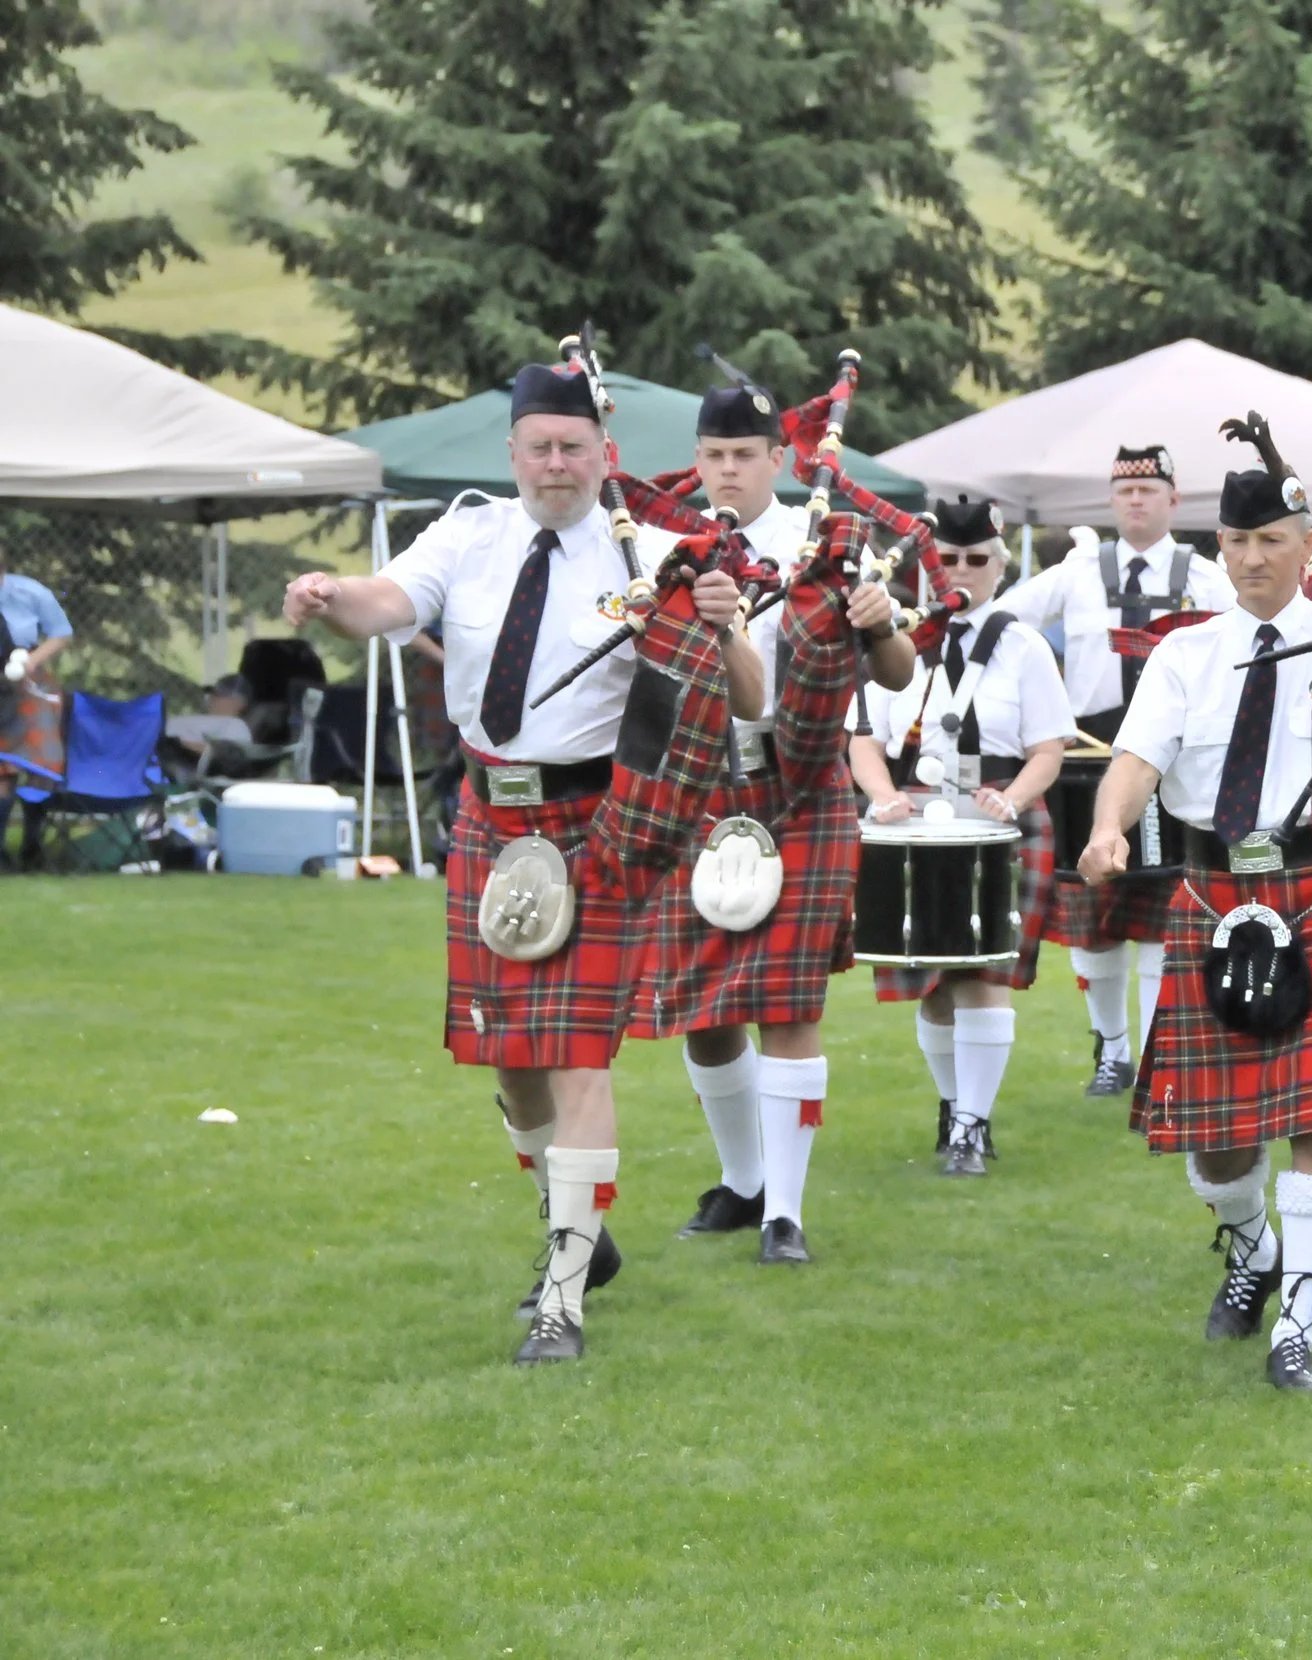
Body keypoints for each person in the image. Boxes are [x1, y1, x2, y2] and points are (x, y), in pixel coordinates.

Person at [279, 356, 781, 1365]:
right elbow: (388, 604)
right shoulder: (467, 534)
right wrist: (331, 595)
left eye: (575, 448)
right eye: (541, 448)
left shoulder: (660, 556)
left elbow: (751, 699)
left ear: (606, 456)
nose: (557, 464)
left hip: (595, 824)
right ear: (513, 453)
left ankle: (561, 1298)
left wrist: (724, 628)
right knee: (511, 1066)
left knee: (577, 1055)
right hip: (487, 821)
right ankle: (583, 1241)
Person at [1078, 430, 1312, 1391]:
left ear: (1303, 540)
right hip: (1213, 892)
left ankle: (1299, 1322)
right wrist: (1109, 829)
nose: (1249, 559)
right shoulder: (1187, 654)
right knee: (1217, 1137)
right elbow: (1134, 761)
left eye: (1269, 540)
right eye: (1236, 543)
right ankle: (1251, 1246)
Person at [625, 376, 915, 1266]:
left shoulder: (820, 539)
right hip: (697, 785)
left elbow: (899, 673)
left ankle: (785, 1212)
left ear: (778, 460)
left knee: (789, 1002)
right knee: (702, 1007)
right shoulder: (658, 546)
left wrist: (879, 622)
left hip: (801, 789)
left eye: (743, 457)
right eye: (712, 457)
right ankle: (743, 1182)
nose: (725, 474)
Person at [1002, 445, 1236, 1098]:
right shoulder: (1077, 573)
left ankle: (1161, 1051)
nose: (1136, 501)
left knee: (1164, 914)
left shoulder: (1205, 576)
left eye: (1149, 490)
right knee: (1095, 913)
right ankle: (1111, 1050)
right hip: (1089, 754)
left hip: (1174, 756)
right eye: (1125, 492)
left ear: (1173, 499)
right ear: (1112, 501)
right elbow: (1004, 625)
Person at [853, 495, 1076, 1176]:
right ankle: (953, 1108)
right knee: (935, 983)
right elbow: (865, 741)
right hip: (915, 820)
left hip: (999, 820)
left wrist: (1011, 798)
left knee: (985, 975)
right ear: (926, 564)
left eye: (976, 559)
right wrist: (886, 797)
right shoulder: (897, 644)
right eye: (946, 558)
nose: (960, 569)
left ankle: (973, 1127)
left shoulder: (1023, 644)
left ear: (999, 567)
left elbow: (1049, 748)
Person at [0, 542, 74, 861]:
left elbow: (61, 633)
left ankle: (33, 845)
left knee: (41, 761)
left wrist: (32, 661)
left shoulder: (30, 592)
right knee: (3, 767)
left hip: (30, 682)